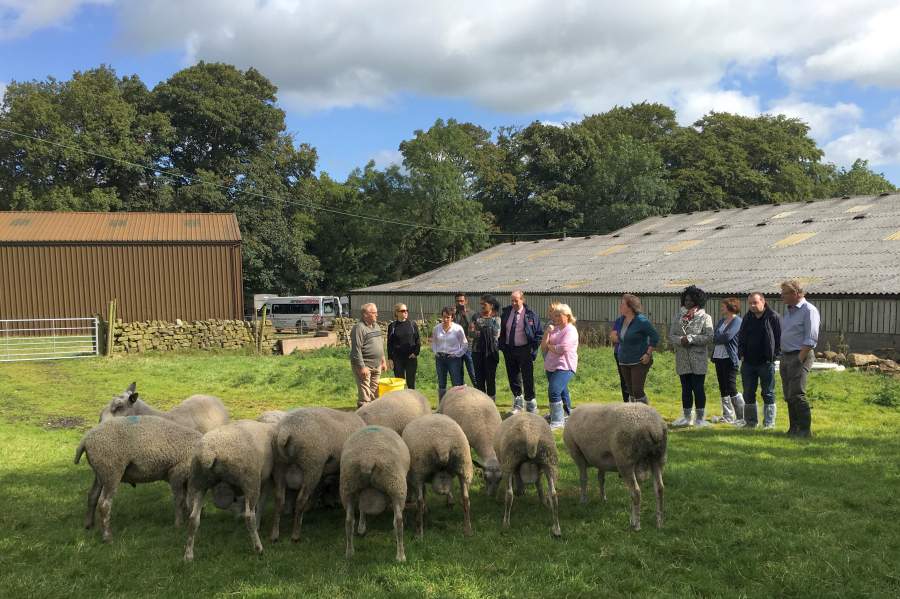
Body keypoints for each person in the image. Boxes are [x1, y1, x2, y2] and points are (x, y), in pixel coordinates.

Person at [779, 280, 820, 438]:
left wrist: (799, 359)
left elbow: (811, 338)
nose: (782, 296)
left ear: (796, 293)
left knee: (797, 393)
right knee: (789, 394)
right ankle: (793, 428)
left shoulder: (809, 310)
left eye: (785, 293)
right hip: (786, 355)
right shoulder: (790, 311)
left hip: (800, 355)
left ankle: (804, 430)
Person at [669, 286, 714, 427]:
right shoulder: (678, 316)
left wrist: (691, 338)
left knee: (698, 388)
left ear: (697, 301)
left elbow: (709, 336)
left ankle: (700, 419)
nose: (687, 302)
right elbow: (671, 335)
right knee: (686, 388)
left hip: (698, 359)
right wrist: (680, 340)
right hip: (682, 359)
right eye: (686, 299)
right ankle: (687, 418)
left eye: (691, 300)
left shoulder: (705, 317)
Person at [737, 292, 782, 429]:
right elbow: (741, 337)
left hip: (766, 362)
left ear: (763, 301)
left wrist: (774, 357)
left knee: (768, 392)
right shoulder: (747, 317)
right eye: (750, 303)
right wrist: (741, 354)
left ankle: (769, 423)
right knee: (748, 392)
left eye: (755, 303)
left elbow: (779, 338)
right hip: (748, 362)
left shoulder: (773, 317)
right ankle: (751, 422)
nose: (752, 306)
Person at [499, 290, 544, 414]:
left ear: (522, 300)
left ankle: (531, 405)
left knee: (527, 377)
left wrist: (532, 349)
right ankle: (518, 404)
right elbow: (502, 331)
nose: (513, 303)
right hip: (509, 349)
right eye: (512, 300)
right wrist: (502, 346)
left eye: (516, 300)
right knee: (513, 376)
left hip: (525, 349)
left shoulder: (530, 314)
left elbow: (539, 333)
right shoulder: (506, 313)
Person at [615, 294, 660, 404]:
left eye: (623, 304)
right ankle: (633, 416)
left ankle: (646, 415)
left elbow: (655, 337)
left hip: (639, 361)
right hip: (624, 360)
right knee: (630, 391)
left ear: (630, 307)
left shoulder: (642, 321)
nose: (620, 306)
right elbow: (620, 337)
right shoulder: (621, 320)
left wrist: (648, 354)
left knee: (637, 390)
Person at [540, 303, 579, 429]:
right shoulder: (555, 329)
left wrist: (551, 347)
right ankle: (566, 414)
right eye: (554, 315)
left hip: (565, 365)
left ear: (567, 316)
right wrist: (547, 332)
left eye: (558, 315)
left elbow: (563, 348)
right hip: (551, 365)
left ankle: (557, 421)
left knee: (554, 390)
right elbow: (543, 346)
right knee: (562, 390)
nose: (555, 318)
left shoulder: (571, 330)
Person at [712, 297, 744, 424]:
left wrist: (718, 337)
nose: (721, 308)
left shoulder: (737, 321)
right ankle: (727, 416)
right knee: (723, 387)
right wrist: (718, 337)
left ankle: (741, 416)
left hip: (730, 358)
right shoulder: (721, 321)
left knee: (731, 387)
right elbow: (715, 337)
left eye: (723, 306)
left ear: (730, 306)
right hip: (719, 357)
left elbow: (727, 337)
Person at [349, 303, 386, 408]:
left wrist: (383, 360)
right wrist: (362, 366)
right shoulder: (359, 328)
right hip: (365, 365)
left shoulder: (377, 326)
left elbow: (380, 344)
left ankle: (373, 414)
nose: (377, 315)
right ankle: (362, 414)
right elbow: (356, 350)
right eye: (374, 313)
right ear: (365, 314)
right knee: (365, 394)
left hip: (377, 364)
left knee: (374, 393)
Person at [431, 306, 468, 400]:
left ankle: (458, 404)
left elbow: (464, 344)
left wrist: (457, 354)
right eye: (444, 317)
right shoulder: (436, 329)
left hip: (453, 359)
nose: (446, 319)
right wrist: (435, 352)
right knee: (441, 384)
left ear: (452, 317)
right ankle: (441, 406)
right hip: (440, 358)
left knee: (456, 383)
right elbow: (434, 342)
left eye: (448, 317)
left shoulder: (458, 329)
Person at [471, 294, 501, 401]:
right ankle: (481, 402)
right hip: (477, 352)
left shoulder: (496, 318)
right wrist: (481, 331)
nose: (482, 306)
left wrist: (479, 331)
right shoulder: (475, 316)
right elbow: (471, 333)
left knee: (490, 379)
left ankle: (491, 403)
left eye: (484, 304)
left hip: (491, 353)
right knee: (479, 379)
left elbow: (495, 335)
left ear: (491, 305)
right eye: (481, 304)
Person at [386, 303, 420, 390]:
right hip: (397, 359)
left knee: (411, 384)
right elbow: (389, 343)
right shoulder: (392, 326)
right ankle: (401, 402)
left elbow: (417, 340)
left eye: (406, 310)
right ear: (397, 313)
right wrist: (390, 358)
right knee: (399, 384)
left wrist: (416, 353)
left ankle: (411, 402)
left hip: (410, 358)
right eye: (403, 311)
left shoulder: (412, 324)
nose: (405, 312)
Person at [453, 293, 478, 386]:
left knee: (473, 373)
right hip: (456, 347)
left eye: (461, 301)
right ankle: (462, 396)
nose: (459, 303)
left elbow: (472, 327)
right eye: (457, 301)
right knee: (458, 375)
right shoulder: (453, 314)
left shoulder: (472, 314)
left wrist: (464, 314)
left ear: (466, 301)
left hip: (469, 347)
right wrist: (454, 315)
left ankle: (479, 393)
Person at [609, 314, 631, 402]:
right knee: (624, 380)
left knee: (634, 381)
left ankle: (637, 405)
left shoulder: (639, 320)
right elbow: (613, 337)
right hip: (619, 353)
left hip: (635, 354)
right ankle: (626, 403)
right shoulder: (619, 320)